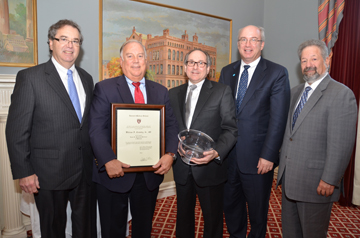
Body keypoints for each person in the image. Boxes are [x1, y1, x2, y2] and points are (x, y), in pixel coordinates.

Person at [6, 19, 95, 238]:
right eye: (63, 39)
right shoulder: (30, 78)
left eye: (75, 41)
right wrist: (24, 172)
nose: (70, 45)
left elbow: (85, 125)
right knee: (53, 230)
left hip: (84, 171)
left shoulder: (86, 79)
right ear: (50, 43)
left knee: (86, 228)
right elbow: (17, 130)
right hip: (48, 174)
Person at [89, 40, 178, 238]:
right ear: (121, 62)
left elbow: (171, 126)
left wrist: (171, 154)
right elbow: (96, 129)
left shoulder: (161, 91)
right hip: (114, 173)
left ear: (146, 61)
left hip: (149, 175)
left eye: (140, 56)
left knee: (143, 229)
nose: (135, 61)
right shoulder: (105, 88)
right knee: (113, 230)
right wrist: (108, 160)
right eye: (130, 56)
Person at [277, 39, 358, 238]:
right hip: (290, 181)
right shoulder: (294, 93)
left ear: (327, 60)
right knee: (290, 233)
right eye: (303, 60)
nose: (308, 64)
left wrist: (330, 178)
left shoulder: (341, 94)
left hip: (317, 183)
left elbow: (341, 143)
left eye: (314, 58)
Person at [219, 25, 290, 238]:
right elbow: (220, 114)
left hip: (258, 159)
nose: (247, 44)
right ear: (238, 44)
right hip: (228, 157)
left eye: (253, 40)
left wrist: (268, 155)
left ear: (262, 44)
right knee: (231, 206)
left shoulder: (277, 73)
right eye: (243, 40)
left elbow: (278, 120)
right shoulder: (226, 71)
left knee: (257, 212)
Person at [169, 49, 237, 238]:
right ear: (184, 67)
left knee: (212, 219)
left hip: (210, 169)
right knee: (183, 217)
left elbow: (231, 129)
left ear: (208, 69)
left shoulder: (221, 91)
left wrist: (216, 152)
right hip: (182, 167)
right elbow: (169, 127)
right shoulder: (173, 93)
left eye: (201, 63)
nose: (195, 67)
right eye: (191, 62)